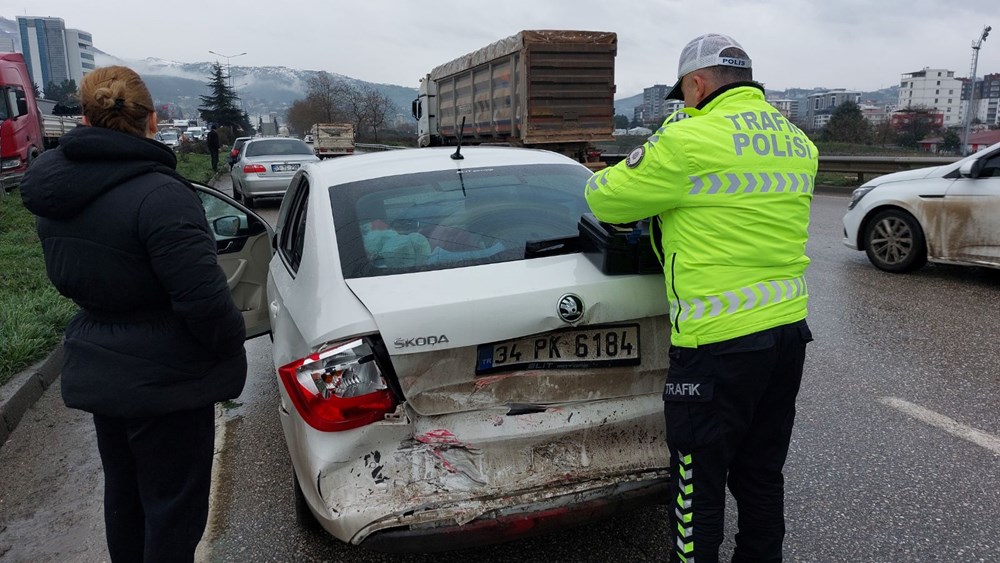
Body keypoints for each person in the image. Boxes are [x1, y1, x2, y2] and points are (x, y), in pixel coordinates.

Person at [585, 33, 817, 563]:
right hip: (787, 334)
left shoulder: (688, 140)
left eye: (684, 95)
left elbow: (603, 199)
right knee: (761, 472)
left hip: (718, 343)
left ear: (696, 83)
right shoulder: (797, 141)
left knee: (697, 483)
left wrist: (666, 136)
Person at [19, 66, 247, 562]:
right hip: (168, 382)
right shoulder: (161, 195)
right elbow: (204, 301)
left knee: (125, 501)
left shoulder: (55, 194)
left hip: (102, 368)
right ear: (152, 120)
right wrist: (231, 346)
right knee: (172, 514)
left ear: (85, 118)